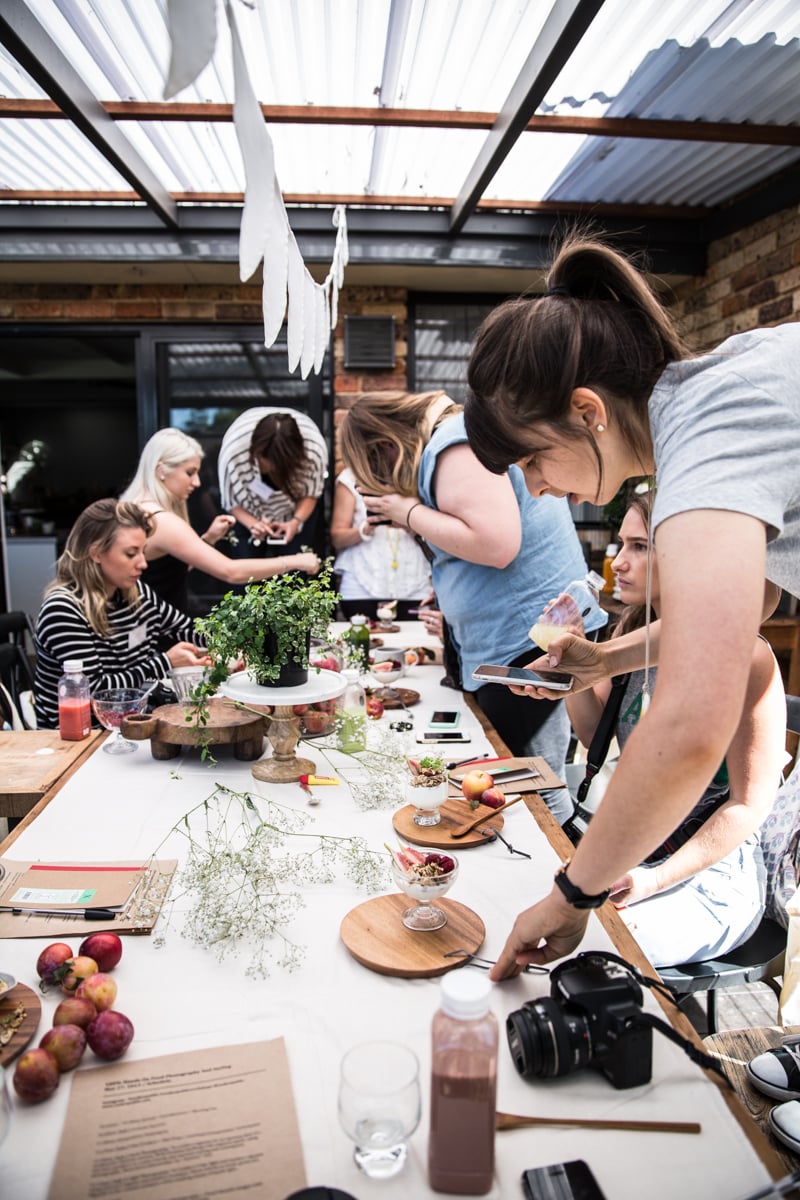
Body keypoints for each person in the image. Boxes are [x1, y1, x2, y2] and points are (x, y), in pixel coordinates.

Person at [462, 231, 799, 977]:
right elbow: (757, 597)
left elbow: (688, 726)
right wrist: (602, 661)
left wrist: (573, 892)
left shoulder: (710, 428)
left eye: (532, 462)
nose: (540, 490)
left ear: (587, 412)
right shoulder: (711, 398)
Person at [338, 390, 606, 824]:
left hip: (529, 638)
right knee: (517, 775)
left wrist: (407, 512)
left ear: (386, 447)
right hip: (524, 635)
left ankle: (573, 875)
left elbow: (496, 543)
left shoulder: (453, 444)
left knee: (529, 779)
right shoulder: (455, 442)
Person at [563, 490, 784, 966]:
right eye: (621, 545)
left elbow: (747, 807)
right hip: (635, 853)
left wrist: (652, 880)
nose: (618, 563)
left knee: (597, 949)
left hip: (713, 870)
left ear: (689, 553)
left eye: (640, 546)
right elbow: (594, 736)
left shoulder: (747, 656)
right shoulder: (628, 636)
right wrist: (572, 672)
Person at [34, 499, 210, 729]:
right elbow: (97, 691)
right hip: (79, 740)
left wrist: (233, 639)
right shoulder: (63, 610)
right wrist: (166, 662)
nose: (143, 564)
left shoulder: (136, 593)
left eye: (143, 552)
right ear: (96, 553)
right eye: (131, 554)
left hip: (131, 725)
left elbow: (185, 628)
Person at [120, 428, 320, 610]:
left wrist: (208, 539)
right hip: (158, 634)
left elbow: (165, 571)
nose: (197, 482)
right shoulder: (162, 521)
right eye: (189, 473)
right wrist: (296, 561)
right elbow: (231, 571)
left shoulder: (136, 507)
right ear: (161, 470)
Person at [217, 408, 328, 557]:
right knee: (248, 569)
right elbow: (230, 501)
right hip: (248, 510)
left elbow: (312, 492)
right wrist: (254, 524)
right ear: (256, 452)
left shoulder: (313, 449)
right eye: (270, 466)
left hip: (295, 509)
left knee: (296, 570)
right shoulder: (234, 451)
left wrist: (295, 522)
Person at [330, 465, 431, 619]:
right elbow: (337, 538)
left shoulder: (418, 471)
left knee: (416, 642)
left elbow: (435, 530)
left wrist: (407, 520)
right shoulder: (351, 476)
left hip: (414, 582)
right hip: (361, 583)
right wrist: (365, 528)